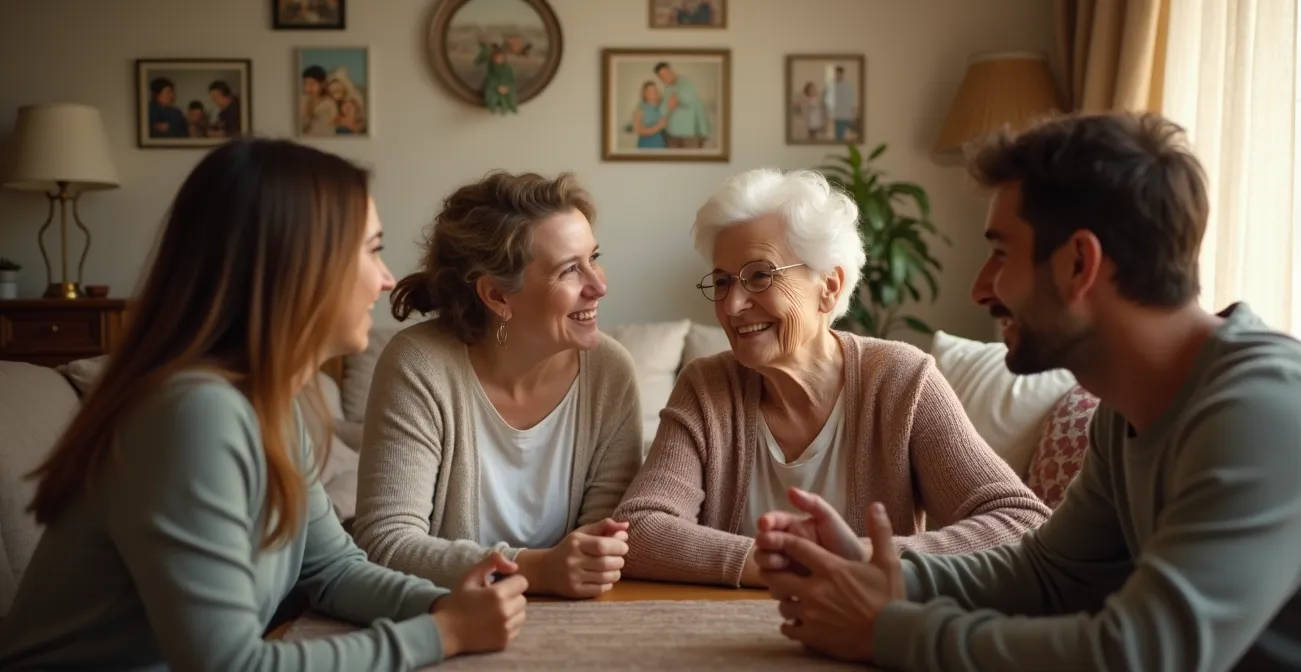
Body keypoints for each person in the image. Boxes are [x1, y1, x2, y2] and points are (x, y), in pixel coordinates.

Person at [752, 112, 1301, 671]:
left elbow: (1141, 655)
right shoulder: (1126, 412)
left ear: (1078, 264)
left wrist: (888, 630)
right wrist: (880, 573)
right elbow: (1050, 576)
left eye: (1001, 253)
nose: (979, 289)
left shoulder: (1264, 410)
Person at [0, 139, 529, 671]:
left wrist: (443, 605)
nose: (387, 278)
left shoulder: (268, 405)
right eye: (371, 249)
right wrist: (443, 635)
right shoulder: (194, 415)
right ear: (298, 265)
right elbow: (231, 666)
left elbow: (332, 570)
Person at [611, 167, 1051, 589]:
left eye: (759, 276)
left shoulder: (901, 381)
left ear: (830, 286)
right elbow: (642, 529)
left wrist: (858, 558)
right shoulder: (708, 387)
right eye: (723, 282)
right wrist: (766, 560)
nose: (732, 305)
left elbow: (1019, 522)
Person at [351, 170, 644, 599]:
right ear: (497, 296)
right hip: (447, 617)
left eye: (593, 258)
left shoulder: (610, 373)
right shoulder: (419, 365)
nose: (599, 285)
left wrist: (587, 562)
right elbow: (385, 543)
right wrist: (538, 568)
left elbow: (599, 547)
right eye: (569, 271)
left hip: (574, 621)